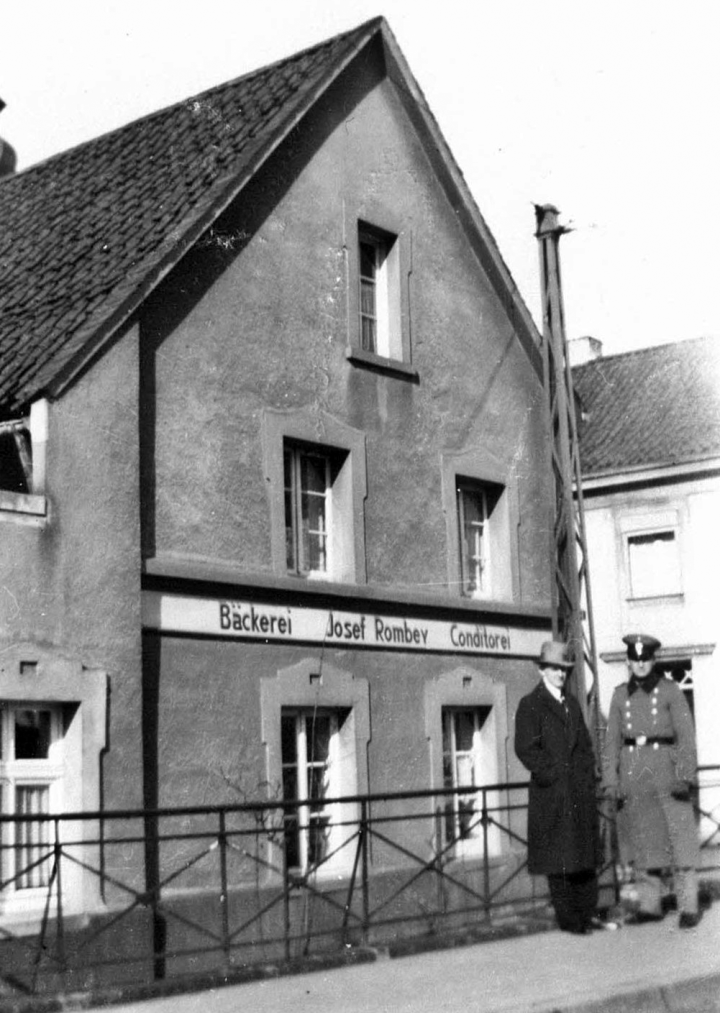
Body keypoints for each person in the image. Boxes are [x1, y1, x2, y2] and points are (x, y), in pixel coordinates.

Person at [603, 633, 701, 929]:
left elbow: (685, 734)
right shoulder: (620, 694)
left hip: (666, 770)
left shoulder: (670, 690)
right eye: (635, 659)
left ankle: (689, 906)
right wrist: (610, 779)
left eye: (646, 659)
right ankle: (649, 906)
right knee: (643, 840)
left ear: (653, 660)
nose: (641, 664)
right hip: (634, 773)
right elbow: (611, 741)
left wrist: (685, 775)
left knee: (679, 839)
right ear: (628, 661)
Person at [515, 640, 603, 934]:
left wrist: (585, 775)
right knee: (559, 860)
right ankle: (569, 920)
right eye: (554, 668)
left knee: (583, 855)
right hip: (551, 794)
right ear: (542, 671)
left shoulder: (573, 704)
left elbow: (585, 746)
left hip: (578, 792)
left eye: (564, 669)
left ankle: (586, 913)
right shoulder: (531, 704)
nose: (560, 674)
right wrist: (552, 774)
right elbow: (525, 749)